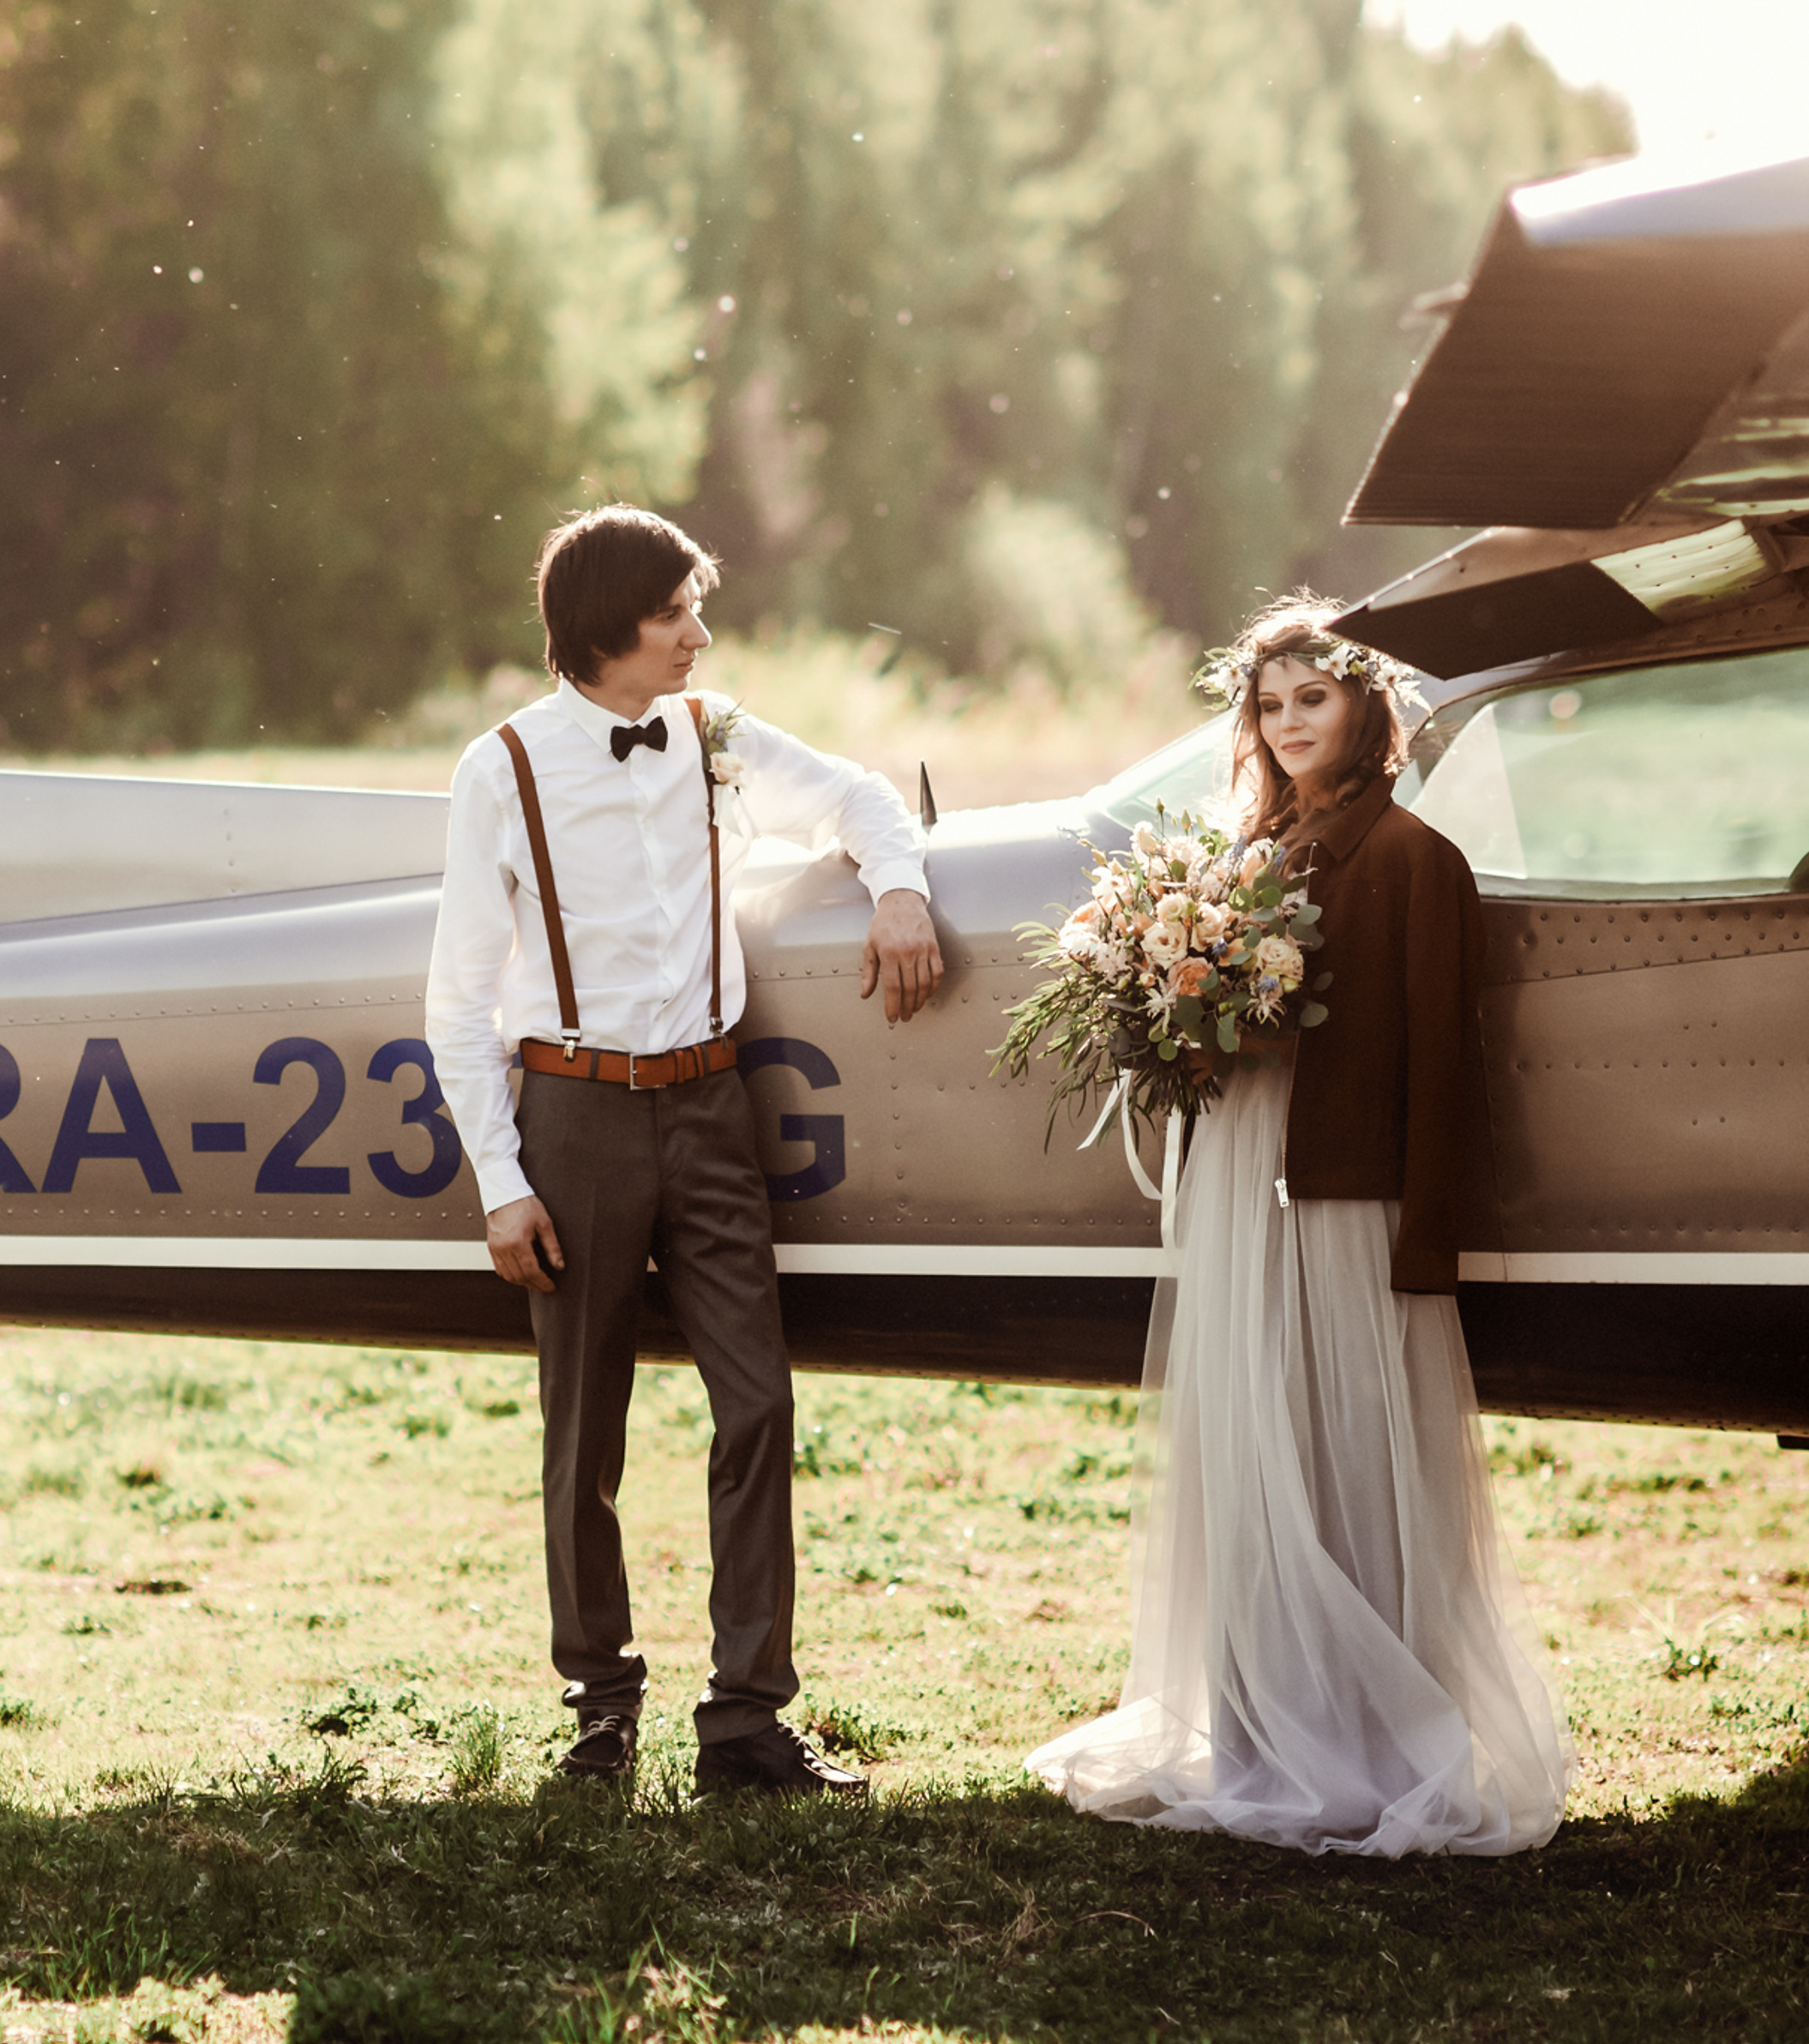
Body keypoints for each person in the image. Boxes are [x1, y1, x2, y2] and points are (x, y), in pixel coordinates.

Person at [1025, 593, 1574, 1857]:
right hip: (1239, 1172)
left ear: (1365, 704)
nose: (1284, 726)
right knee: (1247, 1425)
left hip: (1340, 1186)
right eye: (1266, 706)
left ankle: (1375, 1726)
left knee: (1344, 1437)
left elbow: (1444, 1056)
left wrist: (1428, 1232)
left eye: (1310, 700)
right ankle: (1261, 1710)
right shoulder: (1244, 854)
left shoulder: (1413, 859)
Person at [425, 505, 941, 1795]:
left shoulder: (716, 732)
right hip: (575, 1115)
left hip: (714, 1111)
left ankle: (747, 1722)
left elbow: (864, 795)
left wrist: (898, 886)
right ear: (605, 632)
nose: (699, 637)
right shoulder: (502, 768)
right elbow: (457, 999)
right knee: (582, 1428)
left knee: (758, 1401)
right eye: (674, 618)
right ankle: (599, 1711)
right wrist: (501, 1183)